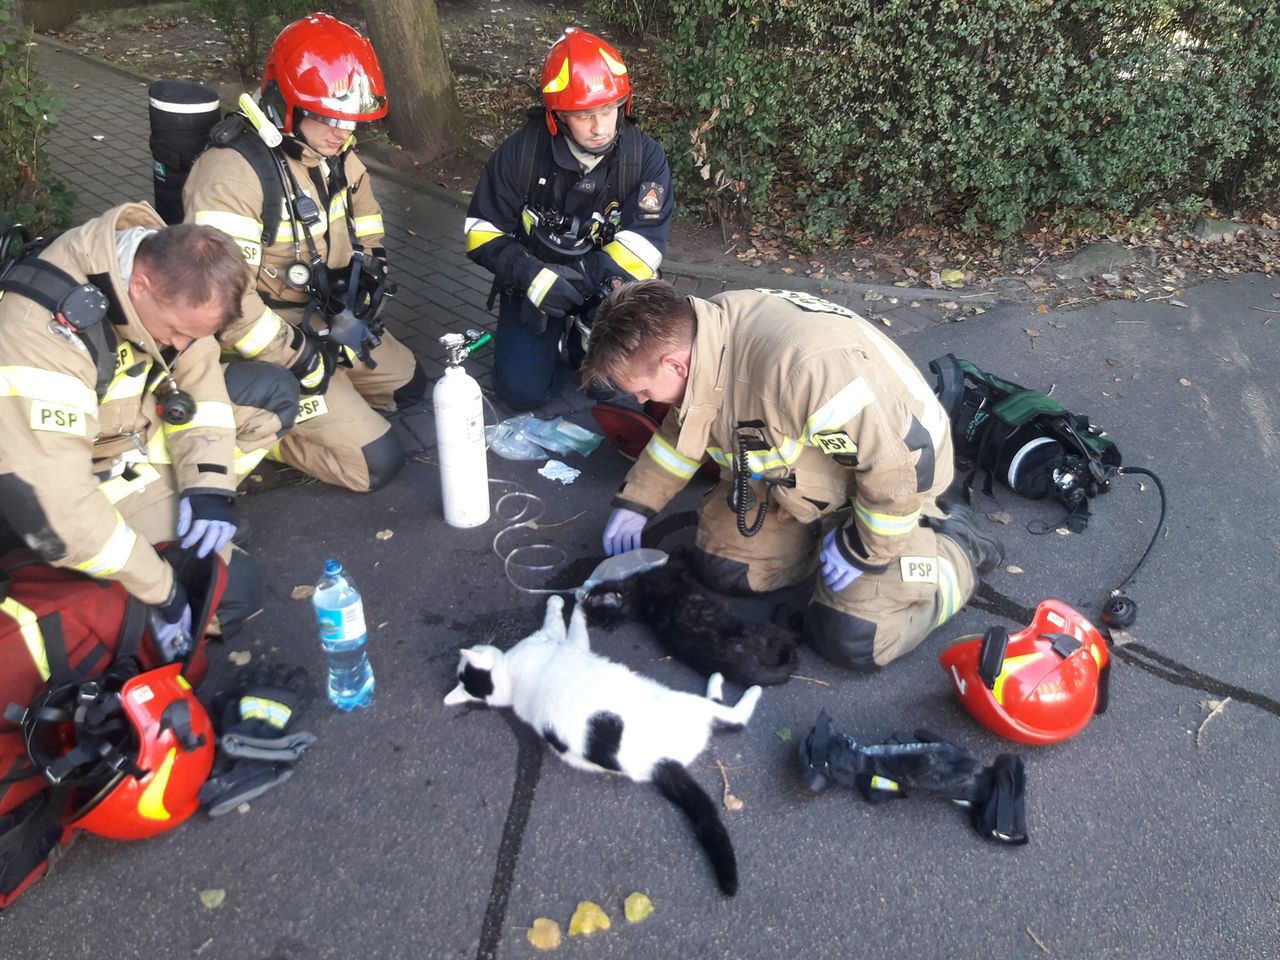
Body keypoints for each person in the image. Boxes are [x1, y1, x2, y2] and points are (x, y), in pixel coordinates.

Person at [581, 280, 1005, 671]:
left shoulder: (806, 365)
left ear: (675, 366)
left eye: (640, 390)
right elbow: (687, 427)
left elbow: (893, 469)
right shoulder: (704, 336)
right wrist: (637, 502)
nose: (640, 400)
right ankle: (820, 531)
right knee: (724, 569)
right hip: (809, 474)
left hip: (899, 483)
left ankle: (956, 551)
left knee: (851, 638)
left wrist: (863, 549)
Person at [0, 202, 300, 646]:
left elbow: (200, 378)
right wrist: (163, 590)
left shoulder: (163, 278)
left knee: (273, 394)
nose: (180, 344)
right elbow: (58, 507)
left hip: (130, 435)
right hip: (81, 473)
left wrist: (210, 487)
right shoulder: (39, 334)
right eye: (177, 331)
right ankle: (109, 580)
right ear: (140, 285)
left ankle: (178, 517)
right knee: (229, 594)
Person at [184, 13, 426, 492]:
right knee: (376, 464)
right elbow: (225, 309)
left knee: (412, 388)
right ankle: (268, 422)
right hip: (264, 345)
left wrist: (370, 270)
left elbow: (367, 215)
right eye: (331, 119)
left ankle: (337, 396)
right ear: (287, 105)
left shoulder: (332, 151)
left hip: (326, 318)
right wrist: (301, 359)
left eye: (351, 121)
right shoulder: (230, 177)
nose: (343, 133)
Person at [465, 27, 674, 410]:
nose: (600, 127)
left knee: (607, 383)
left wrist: (583, 282)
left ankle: (585, 336)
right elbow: (482, 232)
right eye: (583, 115)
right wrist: (531, 276)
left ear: (623, 105)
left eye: (608, 110)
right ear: (556, 116)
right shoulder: (521, 153)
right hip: (534, 284)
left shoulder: (643, 158)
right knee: (522, 393)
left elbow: (644, 246)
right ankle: (555, 340)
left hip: (606, 286)